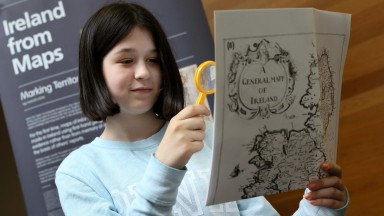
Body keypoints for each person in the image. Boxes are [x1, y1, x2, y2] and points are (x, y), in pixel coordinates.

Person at [55, 2, 349, 215]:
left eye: (154, 60)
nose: (144, 72)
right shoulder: (78, 173)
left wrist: (320, 207)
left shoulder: (205, 135)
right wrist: (165, 166)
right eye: (126, 60)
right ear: (95, 71)